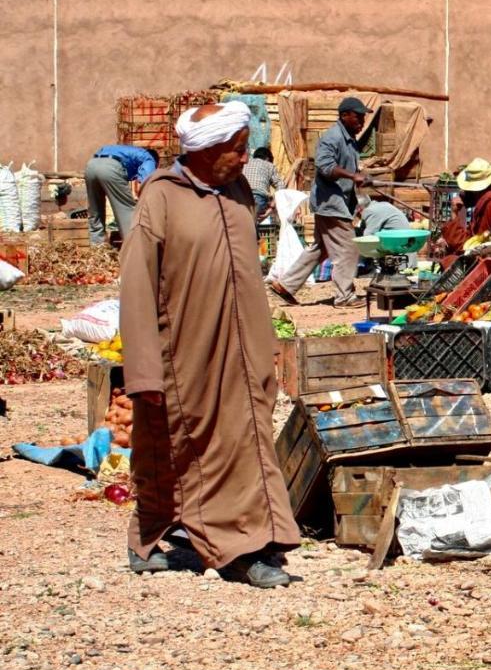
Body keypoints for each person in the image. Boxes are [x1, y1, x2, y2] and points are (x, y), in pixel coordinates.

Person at [119, 101, 300, 588]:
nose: (246, 159)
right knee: (193, 447)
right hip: (187, 354)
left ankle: (249, 539)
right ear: (207, 151)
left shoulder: (238, 190)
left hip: (247, 349)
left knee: (244, 440)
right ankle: (238, 549)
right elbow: (136, 285)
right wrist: (141, 371)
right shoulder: (161, 199)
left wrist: (267, 348)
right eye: (238, 150)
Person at [269, 96, 371, 307]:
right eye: (358, 117)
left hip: (337, 201)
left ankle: (286, 285)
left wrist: (360, 175)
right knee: (348, 248)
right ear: (344, 116)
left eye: (363, 117)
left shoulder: (350, 140)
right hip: (331, 203)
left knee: (320, 248)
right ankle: (344, 296)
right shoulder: (332, 137)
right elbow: (325, 167)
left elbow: (346, 168)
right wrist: (353, 177)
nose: (362, 122)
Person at [84, 144, 158, 245]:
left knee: (95, 209)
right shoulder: (149, 158)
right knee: (126, 210)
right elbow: (148, 184)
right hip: (110, 168)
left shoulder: (129, 152)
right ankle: (133, 247)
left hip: (91, 166)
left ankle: (97, 247)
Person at [440, 158, 491, 254]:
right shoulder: (482, 205)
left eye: (466, 189)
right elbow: (467, 243)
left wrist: (454, 213)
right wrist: (454, 213)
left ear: (474, 190)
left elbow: (462, 247)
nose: (463, 193)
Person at [244, 147, 284, 217]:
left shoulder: (245, 163)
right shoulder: (269, 165)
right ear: (268, 159)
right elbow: (281, 186)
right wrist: (272, 205)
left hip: (241, 199)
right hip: (258, 200)